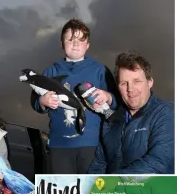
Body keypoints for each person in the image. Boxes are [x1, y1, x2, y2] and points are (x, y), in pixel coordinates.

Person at [30, 18, 118, 174]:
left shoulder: (99, 70)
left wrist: (107, 96)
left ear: (88, 45)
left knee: (91, 191)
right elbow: (35, 102)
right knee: (64, 193)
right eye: (70, 40)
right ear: (62, 44)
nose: (75, 44)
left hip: (91, 143)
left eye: (80, 40)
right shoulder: (51, 71)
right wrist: (43, 101)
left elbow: (117, 99)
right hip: (59, 144)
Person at [87, 51, 174, 174]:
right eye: (124, 83)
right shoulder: (110, 120)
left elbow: (159, 162)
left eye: (137, 81)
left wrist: (113, 183)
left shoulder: (166, 113)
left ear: (150, 82)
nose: (130, 89)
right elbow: (100, 163)